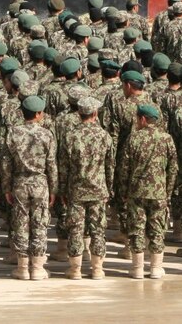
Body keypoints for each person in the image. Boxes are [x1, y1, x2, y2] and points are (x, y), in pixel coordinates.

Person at [118, 103, 177, 279]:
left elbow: (124, 168)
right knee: (157, 228)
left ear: (143, 119)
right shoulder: (166, 138)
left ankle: (137, 268)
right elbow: (173, 168)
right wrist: (168, 191)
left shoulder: (133, 138)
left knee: (137, 229)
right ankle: (156, 268)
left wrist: (123, 191)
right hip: (159, 191)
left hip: (137, 191)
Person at [1, 95, 56, 281]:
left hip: (20, 183)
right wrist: (54, 188)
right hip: (40, 183)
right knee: (40, 224)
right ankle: (38, 268)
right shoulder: (47, 134)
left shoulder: (13, 132)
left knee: (20, 224)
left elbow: (6, 164)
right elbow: (51, 164)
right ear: (39, 114)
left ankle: (22, 267)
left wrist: (6, 187)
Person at [59, 96, 113, 280]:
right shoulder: (104, 136)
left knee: (75, 229)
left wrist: (63, 190)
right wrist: (109, 188)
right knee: (98, 229)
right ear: (95, 113)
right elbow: (109, 166)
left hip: (76, 189)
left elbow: (64, 166)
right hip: (98, 189)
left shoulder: (70, 135)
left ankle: (75, 269)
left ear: (79, 114)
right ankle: (97, 268)